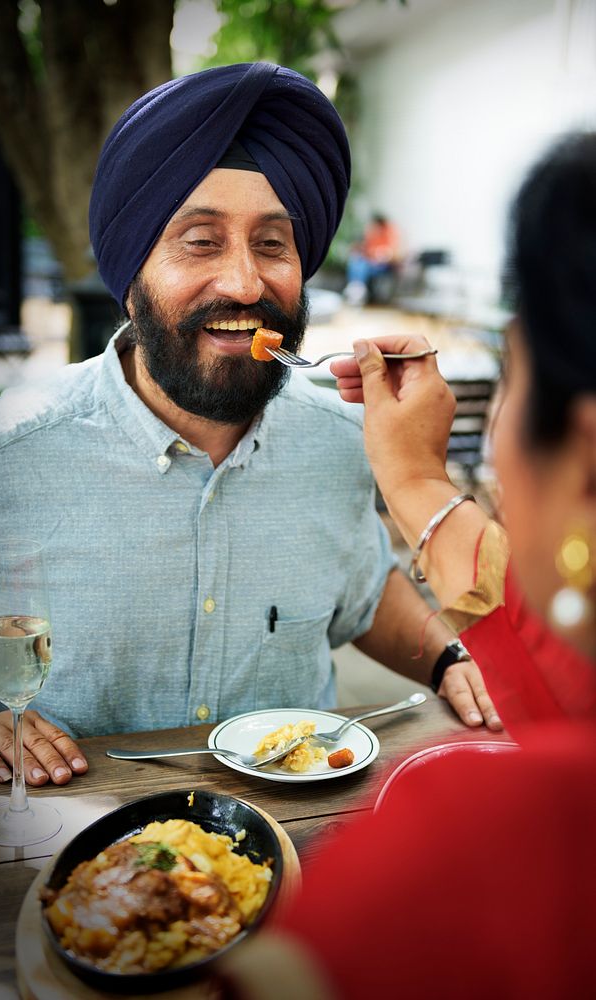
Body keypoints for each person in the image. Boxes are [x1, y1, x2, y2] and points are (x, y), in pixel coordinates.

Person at [0, 62, 499, 788]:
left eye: (271, 244)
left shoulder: (337, 441)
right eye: (199, 242)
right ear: (130, 281)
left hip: (297, 856)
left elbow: (358, 592)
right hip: (65, 869)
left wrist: (450, 659)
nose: (243, 283)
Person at [216, 131, 596, 997]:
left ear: (580, 459)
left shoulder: (454, 853)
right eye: (201, 240)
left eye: (506, 383)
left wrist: (412, 481)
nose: (243, 282)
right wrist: (417, 476)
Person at [343, 212, 401, 306]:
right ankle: (356, 288)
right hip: (369, 263)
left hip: (383, 266)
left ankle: (356, 290)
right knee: (356, 263)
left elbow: (393, 254)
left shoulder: (390, 234)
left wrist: (381, 255)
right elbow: (366, 249)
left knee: (362, 266)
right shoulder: (372, 234)